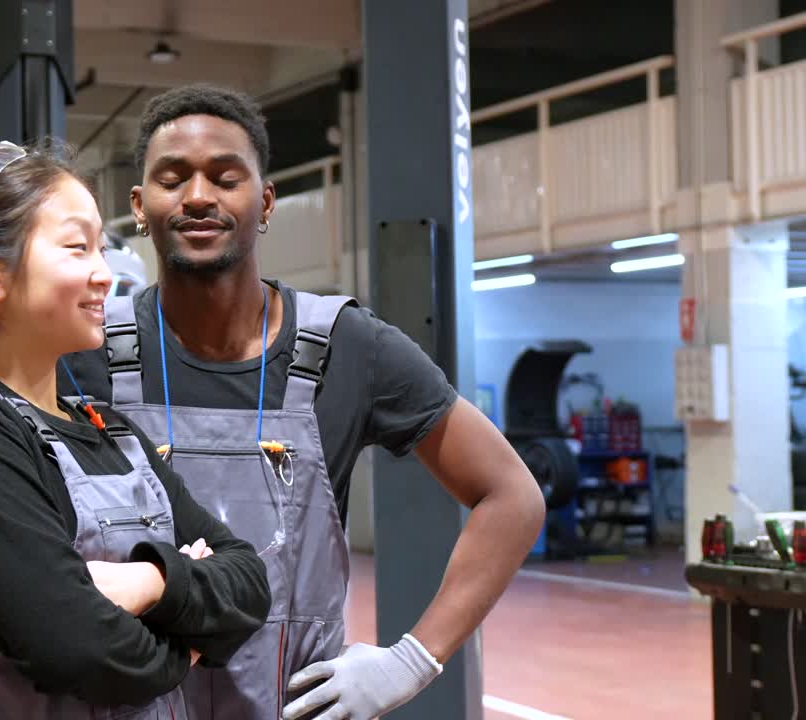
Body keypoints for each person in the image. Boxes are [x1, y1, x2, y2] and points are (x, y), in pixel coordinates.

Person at [64, 84, 547, 719]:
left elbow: (513, 496)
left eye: (225, 178)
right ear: (139, 205)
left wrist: (412, 661)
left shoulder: (348, 348)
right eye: (173, 179)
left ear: (265, 202)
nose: (199, 196)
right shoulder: (83, 351)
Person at [0, 139, 272, 718]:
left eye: (102, 249)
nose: (104, 274)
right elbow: (81, 650)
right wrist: (188, 647)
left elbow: (249, 580)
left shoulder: (111, 429)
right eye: (77, 248)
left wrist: (150, 583)